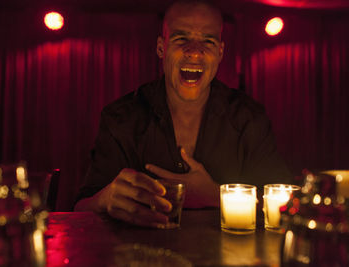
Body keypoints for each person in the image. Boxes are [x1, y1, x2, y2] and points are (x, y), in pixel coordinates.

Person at [74, 0, 291, 228]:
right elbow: (79, 209)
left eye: (207, 41)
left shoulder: (248, 118)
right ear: (161, 48)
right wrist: (106, 200)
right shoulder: (121, 117)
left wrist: (214, 195)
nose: (194, 51)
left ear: (220, 53)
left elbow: (287, 209)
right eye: (181, 38)